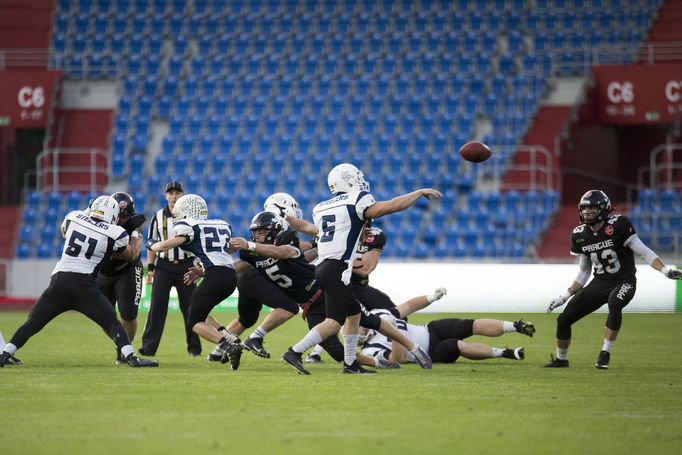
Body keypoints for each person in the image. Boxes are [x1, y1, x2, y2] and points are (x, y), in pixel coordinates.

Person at [190, 211, 421, 371]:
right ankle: (379, 363)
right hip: (310, 307)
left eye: (262, 231)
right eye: (255, 232)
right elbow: (239, 266)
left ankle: (414, 348)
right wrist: (205, 271)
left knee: (369, 319)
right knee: (337, 351)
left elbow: (283, 253)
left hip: (325, 292)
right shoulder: (252, 255)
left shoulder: (286, 243)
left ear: (275, 230)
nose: (257, 235)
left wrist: (252, 245)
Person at [281, 162, 441, 374]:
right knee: (333, 323)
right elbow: (391, 206)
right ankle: (294, 352)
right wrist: (419, 192)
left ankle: (350, 364)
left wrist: (285, 217)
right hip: (338, 268)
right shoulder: (357, 200)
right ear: (348, 179)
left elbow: (312, 228)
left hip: (325, 267)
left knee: (354, 314)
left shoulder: (321, 208)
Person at [0, 196, 157, 368]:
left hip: (59, 281)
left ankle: (5, 353)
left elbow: (64, 231)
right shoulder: (115, 232)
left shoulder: (74, 217)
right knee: (112, 322)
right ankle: (132, 358)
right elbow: (129, 255)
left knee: (32, 323)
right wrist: (134, 232)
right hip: (84, 285)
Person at [545, 189, 682, 369]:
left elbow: (644, 252)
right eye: (584, 208)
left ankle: (605, 353)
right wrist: (565, 295)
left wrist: (664, 270)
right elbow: (584, 271)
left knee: (614, 302)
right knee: (563, 319)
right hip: (600, 282)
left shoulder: (619, 225)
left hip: (623, 280)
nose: (587, 212)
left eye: (592, 208)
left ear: (603, 208)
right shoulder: (580, 235)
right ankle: (562, 360)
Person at [305, 224, 448, 363]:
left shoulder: (373, 235)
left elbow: (364, 269)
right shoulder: (337, 232)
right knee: (333, 319)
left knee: (397, 317)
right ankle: (316, 353)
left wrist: (338, 259)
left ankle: (390, 348)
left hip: (359, 288)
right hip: (338, 285)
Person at [147, 194, 243, 370]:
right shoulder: (220, 224)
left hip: (215, 276)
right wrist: (203, 270)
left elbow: (164, 246)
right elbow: (224, 251)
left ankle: (228, 346)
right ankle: (231, 338)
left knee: (194, 323)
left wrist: (152, 244)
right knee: (200, 312)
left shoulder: (189, 226)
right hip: (229, 276)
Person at [140, 180, 202, 357]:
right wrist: (150, 269)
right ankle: (149, 347)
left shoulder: (191, 216)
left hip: (186, 266)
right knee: (157, 306)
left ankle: (194, 348)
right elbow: (151, 244)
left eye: (177, 193)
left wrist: (198, 266)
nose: (174, 196)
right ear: (166, 195)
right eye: (171, 193)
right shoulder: (158, 216)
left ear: (182, 195)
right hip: (164, 267)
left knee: (191, 308)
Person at [361, 308, 533, 365]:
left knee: (467, 325)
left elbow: (409, 306)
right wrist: (394, 333)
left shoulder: (377, 313)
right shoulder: (370, 350)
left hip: (429, 330)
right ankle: (504, 353)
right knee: (457, 345)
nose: (360, 329)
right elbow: (397, 359)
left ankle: (516, 326)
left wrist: (431, 297)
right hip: (430, 353)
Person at [96, 192, 146, 364]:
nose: (123, 219)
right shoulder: (98, 221)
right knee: (104, 317)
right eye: (119, 215)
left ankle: (126, 348)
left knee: (129, 315)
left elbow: (133, 254)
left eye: (126, 216)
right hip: (102, 272)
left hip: (128, 271)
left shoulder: (135, 224)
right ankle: (122, 344)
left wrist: (110, 249)